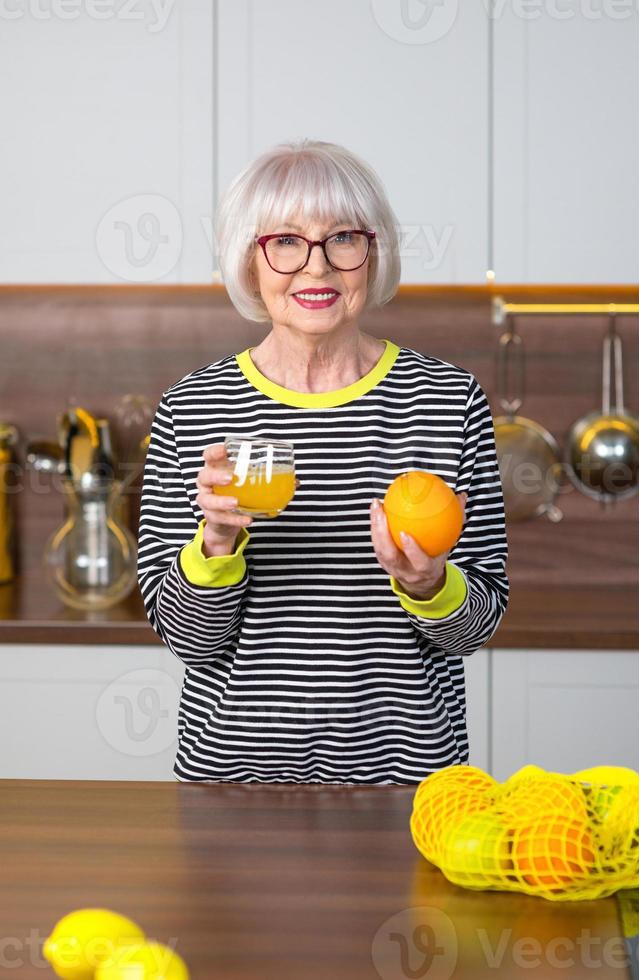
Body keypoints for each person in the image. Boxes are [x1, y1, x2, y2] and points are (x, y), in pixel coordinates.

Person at [137, 139, 509, 785]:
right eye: (284, 241)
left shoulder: (447, 402)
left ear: (374, 253)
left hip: (409, 785)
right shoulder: (195, 407)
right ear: (248, 261)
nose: (316, 269)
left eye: (342, 238)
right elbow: (186, 640)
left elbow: (474, 629)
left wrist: (426, 585)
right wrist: (216, 541)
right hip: (234, 784)